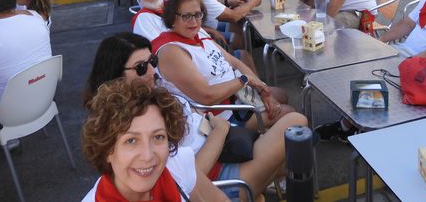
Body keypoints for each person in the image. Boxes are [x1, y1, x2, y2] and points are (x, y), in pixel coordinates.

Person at [84, 33, 304, 201]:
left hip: (229, 152)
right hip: (223, 176)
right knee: (295, 124)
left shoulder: (155, 100)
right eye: (141, 68)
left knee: (289, 141)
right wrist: (220, 130)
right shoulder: (137, 126)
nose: (151, 71)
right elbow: (191, 173)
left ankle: (274, 181)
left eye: (152, 62)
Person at [153, 0, 296, 132]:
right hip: (221, 114)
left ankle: (267, 133)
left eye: (197, 14)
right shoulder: (172, 51)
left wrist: (263, 90)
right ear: (172, 18)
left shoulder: (197, 33)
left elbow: (234, 62)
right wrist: (245, 79)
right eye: (186, 16)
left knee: (281, 95)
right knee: (290, 114)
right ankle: (261, 137)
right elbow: (207, 96)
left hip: (237, 95)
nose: (194, 21)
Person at [81, 78, 229, 202]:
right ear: (107, 150)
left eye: (158, 137)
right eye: (131, 141)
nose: (148, 156)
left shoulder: (176, 164)